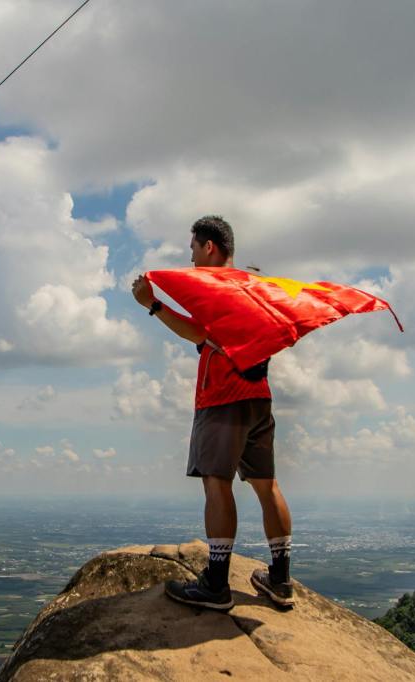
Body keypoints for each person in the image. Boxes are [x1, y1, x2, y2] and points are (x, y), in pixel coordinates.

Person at [131, 215, 294, 611]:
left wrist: (151, 303)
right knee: (266, 484)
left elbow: (196, 333)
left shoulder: (217, 286)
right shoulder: (255, 287)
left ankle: (216, 585)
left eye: (192, 250)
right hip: (259, 397)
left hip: (222, 399)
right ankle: (280, 578)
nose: (190, 260)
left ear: (210, 247)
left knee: (216, 483)